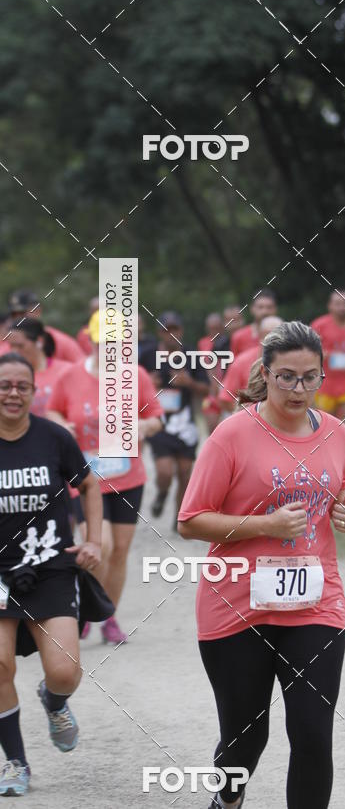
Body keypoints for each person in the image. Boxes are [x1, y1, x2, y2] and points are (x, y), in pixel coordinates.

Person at [178, 321, 345, 809]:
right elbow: (190, 521)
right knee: (244, 738)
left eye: (310, 377)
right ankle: (228, 799)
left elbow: (337, 488)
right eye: (286, 377)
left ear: (323, 376)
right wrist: (265, 526)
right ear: (265, 373)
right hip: (235, 606)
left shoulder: (337, 433)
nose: (299, 389)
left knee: (313, 735)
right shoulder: (232, 436)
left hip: (315, 605)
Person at [0, 352, 103, 795]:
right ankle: (16, 765)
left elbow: (91, 483)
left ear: (33, 390)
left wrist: (94, 539)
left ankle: (54, 700)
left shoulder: (54, 438)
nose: (13, 393)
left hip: (50, 568)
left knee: (63, 671)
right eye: (5, 385)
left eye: (22, 385)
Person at [46, 311, 163, 644]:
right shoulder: (71, 376)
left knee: (118, 552)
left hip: (128, 476)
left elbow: (156, 416)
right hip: (85, 479)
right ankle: (88, 606)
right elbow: (53, 409)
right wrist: (60, 424)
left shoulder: (136, 375)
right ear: (92, 340)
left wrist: (144, 426)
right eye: (105, 342)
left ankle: (108, 616)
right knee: (100, 545)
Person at [140, 312, 209, 524]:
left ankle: (180, 520)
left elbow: (206, 390)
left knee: (185, 474)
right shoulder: (147, 355)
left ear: (182, 330)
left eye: (174, 329)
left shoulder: (191, 354)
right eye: (165, 330)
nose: (170, 334)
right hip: (159, 422)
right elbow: (128, 386)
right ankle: (161, 494)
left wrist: (189, 383)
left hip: (184, 423)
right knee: (164, 472)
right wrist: (146, 382)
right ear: (159, 332)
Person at [311, 291, 345, 455]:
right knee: (326, 431)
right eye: (337, 303)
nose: (342, 307)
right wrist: (321, 354)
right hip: (325, 384)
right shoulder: (319, 325)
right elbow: (308, 351)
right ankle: (329, 468)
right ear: (330, 306)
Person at [6, 319, 72, 417]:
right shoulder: (6, 374)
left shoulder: (67, 371)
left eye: (20, 346)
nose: (14, 351)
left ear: (39, 341)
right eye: (12, 346)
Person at [218, 315, 283, 413]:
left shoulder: (293, 363)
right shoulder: (242, 361)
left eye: (279, 336)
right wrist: (246, 416)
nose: (274, 342)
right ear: (260, 337)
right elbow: (225, 398)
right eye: (269, 336)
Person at [7, 291, 84, 364]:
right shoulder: (6, 343)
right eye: (13, 314)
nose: (17, 318)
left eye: (21, 313)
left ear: (37, 311)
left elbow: (83, 368)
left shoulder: (61, 341)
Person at [198, 313, 226, 435]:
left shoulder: (229, 342)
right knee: (212, 429)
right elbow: (205, 363)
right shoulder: (203, 343)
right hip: (211, 393)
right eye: (211, 328)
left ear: (222, 327)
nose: (214, 331)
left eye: (217, 328)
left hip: (227, 390)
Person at [230, 290, 278, 356]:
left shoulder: (286, 336)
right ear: (252, 309)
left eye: (269, 307)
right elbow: (235, 365)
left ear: (275, 309)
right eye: (260, 307)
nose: (265, 311)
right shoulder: (239, 336)